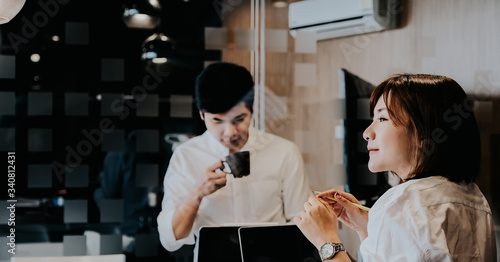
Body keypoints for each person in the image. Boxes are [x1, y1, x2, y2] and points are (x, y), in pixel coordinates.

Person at [295, 74, 497, 261]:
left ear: (423, 134)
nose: (367, 133)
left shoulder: (403, 204)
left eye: (382, 119)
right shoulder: (474, 197)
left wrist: (326, 241)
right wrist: (366, 226)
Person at [157, 62, 312, 260]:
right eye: (217, 121)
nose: (230, 132)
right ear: (201, 115)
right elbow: (170, 240)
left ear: (252, 110)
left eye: (239, 119)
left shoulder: (284, 152)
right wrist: (197, 194)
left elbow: (302, 223)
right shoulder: (185, 157)